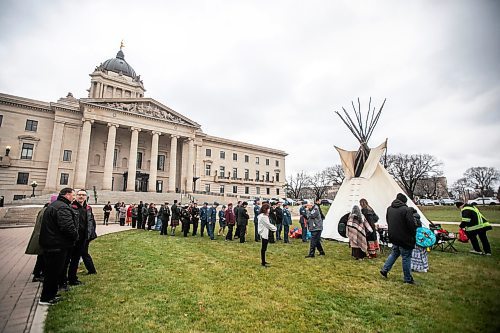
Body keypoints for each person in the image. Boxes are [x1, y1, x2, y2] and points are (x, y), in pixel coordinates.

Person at [38, 188, 78, 305]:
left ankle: (50, 294)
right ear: (67, 195)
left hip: (52, 243)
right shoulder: (62, 207)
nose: (74, 197)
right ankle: (46, 298)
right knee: (53, 272)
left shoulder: (54, 205)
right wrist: (75, 236)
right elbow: (67, 227)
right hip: (57, 245)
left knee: (52, 272)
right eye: (73, 195)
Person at [380, 193, 418, 284]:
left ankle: (385, 269)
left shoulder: (389, 209)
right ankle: (407, 278)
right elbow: (411, 225)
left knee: (394, 253)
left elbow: (388, 220)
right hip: (405, 237)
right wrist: (413, 234)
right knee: (406, 257)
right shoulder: (406, 210)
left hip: (394, 236)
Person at [67, 189, 97, 285]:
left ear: (86, 197)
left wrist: (91, 234)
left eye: (83, 195)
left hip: (83, 237)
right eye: (79, 194)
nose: (81, 196)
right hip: (73, 237)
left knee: (76, 259)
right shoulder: (71, 207)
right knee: (68, 258)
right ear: (75, 196)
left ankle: (72, 278)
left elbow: (91, 221)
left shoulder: (88, 208)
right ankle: (64, 279)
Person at [26, 201, 51, 282]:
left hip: (41, 236)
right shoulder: (46, 211)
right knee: (43, 257)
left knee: (42, 256)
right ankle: (38, 274)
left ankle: (38, 273)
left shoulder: (44, 210)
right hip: (43, 237)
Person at [257, 203, 277, 267]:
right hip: (264, 233)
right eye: (268, 209)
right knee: (264, 248)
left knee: (264, 248)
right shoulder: (263, 217)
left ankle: (264, 261)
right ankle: (263, 262)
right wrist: (275, 228)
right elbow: (268, 225)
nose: (269, 210)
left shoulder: (263, 216)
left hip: (265, 232)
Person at [410, 208, 429, 272]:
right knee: (422, 254)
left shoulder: (413, 219)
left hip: (416, 240)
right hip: (421, 240)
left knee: (416, 254)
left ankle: (417, 267)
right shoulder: (418, 219)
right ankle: (424, 267)